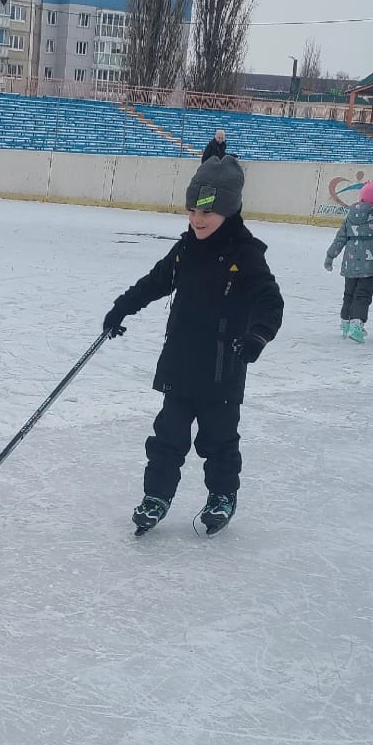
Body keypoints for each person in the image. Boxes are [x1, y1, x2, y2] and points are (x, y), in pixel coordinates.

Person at [102, 156, 284, 537]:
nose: (197, 220)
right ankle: (156, 496)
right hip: (180, 364)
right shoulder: (185, 250)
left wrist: (257, 337)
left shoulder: (245, 254)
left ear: (229, 210)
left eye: (208, 212)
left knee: (218, 441)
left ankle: (221, 495)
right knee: (167, 438)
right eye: (191, 211)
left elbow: (270, 302)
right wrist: (121, 308)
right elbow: (154, 283)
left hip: (223, 366)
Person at [324, 180, 373, 343]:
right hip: (370, 264)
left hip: (350, 262)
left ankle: (345, 323)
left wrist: (330, 256)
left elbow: (340, 238)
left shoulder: (350, 215)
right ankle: (357, 325)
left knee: (348, 293)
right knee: (363, 294)